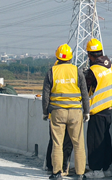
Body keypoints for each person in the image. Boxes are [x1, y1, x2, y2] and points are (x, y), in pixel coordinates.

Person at [42, 43, 89, 180]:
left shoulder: (52, 71)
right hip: (75, 112)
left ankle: (57, 173)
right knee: (78, 143)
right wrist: (86, 111)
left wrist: (45, 112)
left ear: (58, 56)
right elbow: (84, 93)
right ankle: (80, 174)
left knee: (57, 143)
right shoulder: (77, 71)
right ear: (70, 57)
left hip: (57, 112)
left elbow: (46, 95)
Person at [84, 38, 112, 178]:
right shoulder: (110, 66)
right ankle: (106, 168)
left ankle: (97, 170)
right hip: (108, 110)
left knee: (95, 142)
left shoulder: (93, 70)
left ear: (90, 55)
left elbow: (84, 88)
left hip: (97, 110)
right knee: (105, 141)